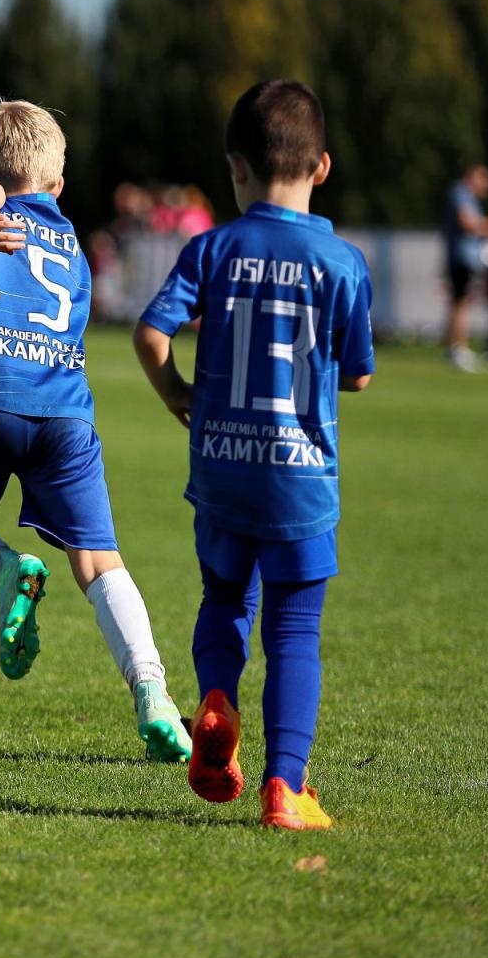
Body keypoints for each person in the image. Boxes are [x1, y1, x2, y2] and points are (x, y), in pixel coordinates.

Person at [0, 100, 193, 763]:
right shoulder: (72, 243)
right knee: (98, 563)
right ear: (59, 185)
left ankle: (5, 569)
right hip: (68, 415)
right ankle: (153, 692)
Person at [133, 80, 375, 830]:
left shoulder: (212, 247)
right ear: (323, 167)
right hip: (301, 479)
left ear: (235, 167)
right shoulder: (342, 262)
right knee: (295, 629)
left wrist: (176, 390)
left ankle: (216, 701)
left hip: (222, 471)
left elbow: (150, 332)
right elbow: (359, 372)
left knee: (224, 600)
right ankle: (285, 787)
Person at [442, 163, 488, 371]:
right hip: (462, 256)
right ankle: (458, 348)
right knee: (461, 303)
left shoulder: (464, 195)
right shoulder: (460, 193)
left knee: (459, 303)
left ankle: (455, 347)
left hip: (463, 257)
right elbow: (468, 223)